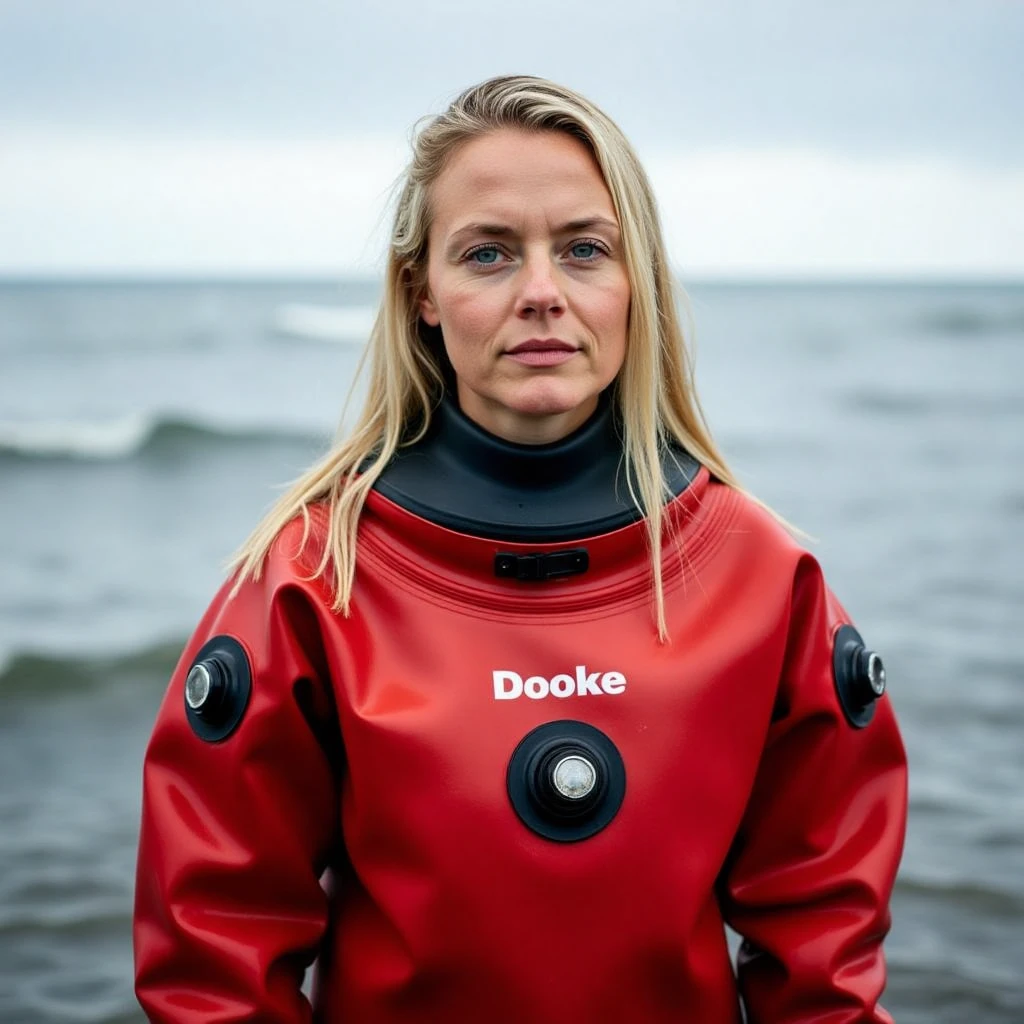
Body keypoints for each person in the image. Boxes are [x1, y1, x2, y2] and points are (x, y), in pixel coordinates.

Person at [133, 75, 907, 1022]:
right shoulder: (311, 577)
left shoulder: (757, 572)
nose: (542, 294)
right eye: (489, 254)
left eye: (584, 250)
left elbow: (826, 956)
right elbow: (213, 953)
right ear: (424, 292)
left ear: (638, 283)